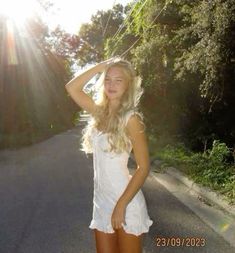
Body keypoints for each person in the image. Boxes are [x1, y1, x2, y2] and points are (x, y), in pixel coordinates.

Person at [65, 57, 153, 253]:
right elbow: (72, 88)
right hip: (102, 202)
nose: (111, 84)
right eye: (108, 79)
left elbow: (144, 167)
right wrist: (101, 66)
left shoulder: (131, 119)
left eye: (118, 80)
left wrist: (121, 205)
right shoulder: (99, 113)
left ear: (128, 84)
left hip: (126, 202)